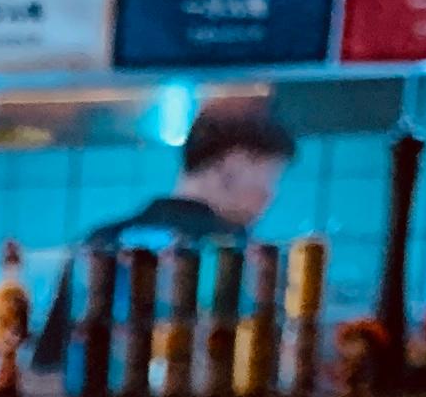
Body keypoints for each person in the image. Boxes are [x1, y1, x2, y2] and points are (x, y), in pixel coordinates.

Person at [31, 97, 298, 375]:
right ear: (233, 163)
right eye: (270, 176)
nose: (271, 195)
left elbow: (47, 368)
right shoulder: (240, 257)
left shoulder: (101, 242)